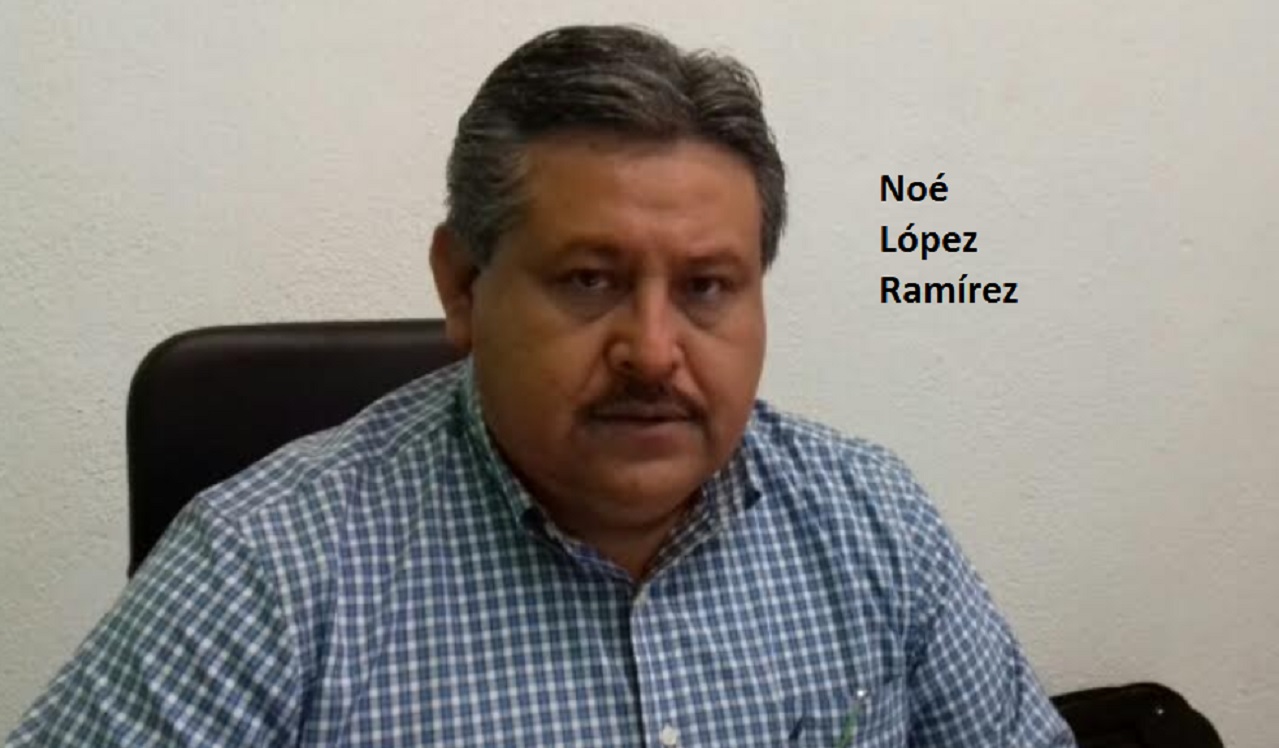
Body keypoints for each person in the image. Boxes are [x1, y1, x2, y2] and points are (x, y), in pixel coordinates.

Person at [7, 24, 1075, 747]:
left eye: (706, 287)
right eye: (589, 280)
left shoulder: (872, 520)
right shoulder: (266, 570)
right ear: (462, 286)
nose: (652, 350)